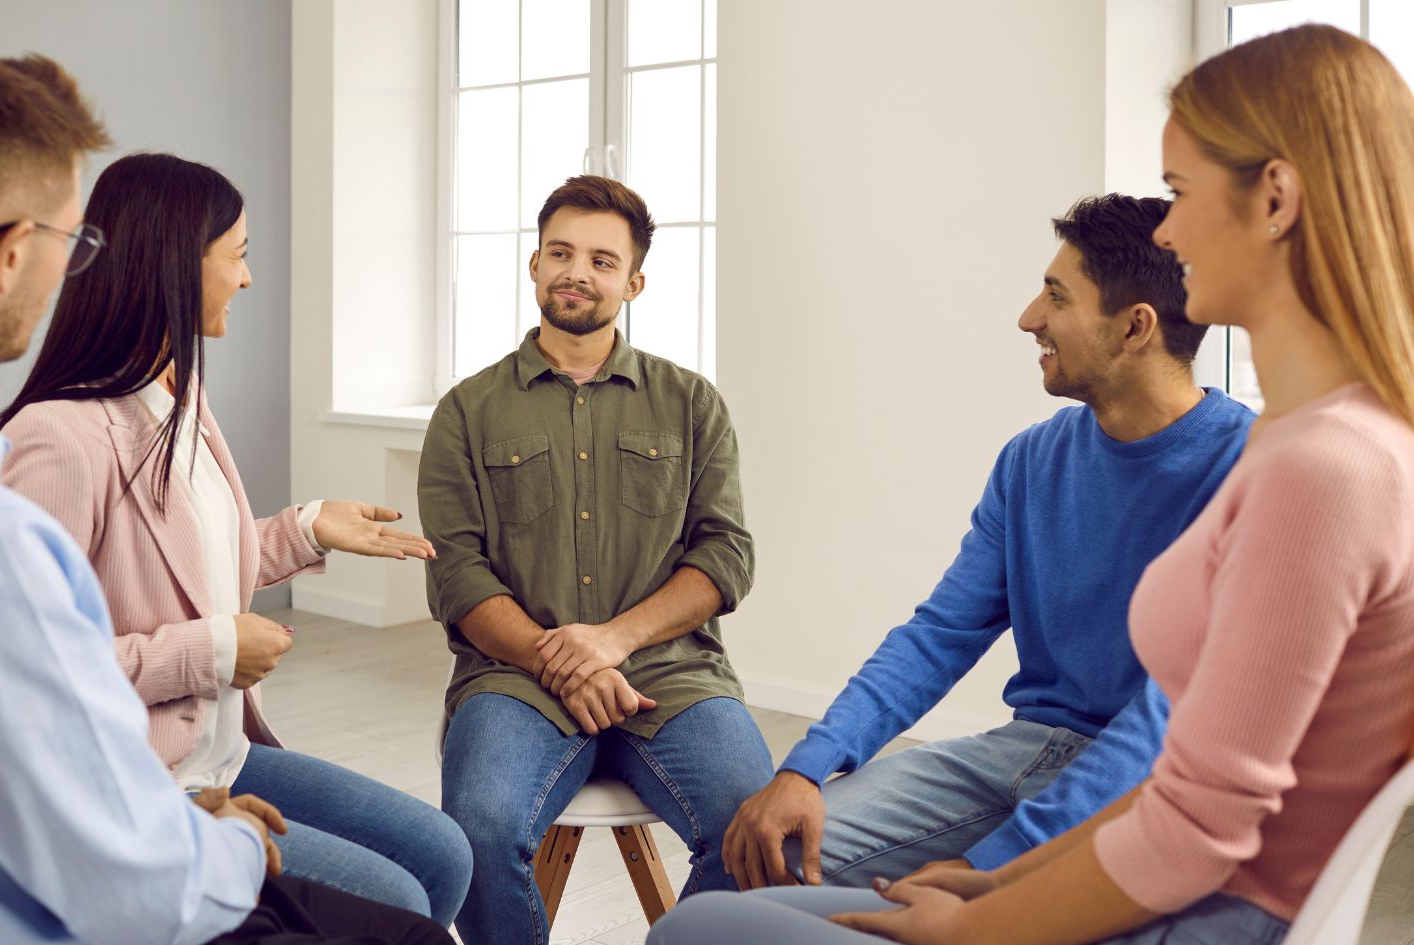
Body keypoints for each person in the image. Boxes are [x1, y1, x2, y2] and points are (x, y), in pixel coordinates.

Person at [649, 23, 1414, 945]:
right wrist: (813, 765)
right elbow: (941, 631)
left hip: (1165, 892)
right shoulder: (1278, 446)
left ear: (1276, 199)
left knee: (702, 936)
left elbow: (1187, 802)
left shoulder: (1304, 466)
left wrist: (990, 892)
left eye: (1178, 193)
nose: (1168, 228)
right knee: (735, 882)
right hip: (1055, 790)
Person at [0, 42, 449, 945]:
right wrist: (228, 837)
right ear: (10, 256)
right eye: (77, 240)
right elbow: (139, 890)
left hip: (5, 875)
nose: (83, 267)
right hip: (93, 906)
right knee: (413, 929)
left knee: (426, 872)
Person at [722, 194, 1254, 892]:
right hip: (1018, 752)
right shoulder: (1031, 460)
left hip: (1152, 781)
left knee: (959, 912)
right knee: (754, 855)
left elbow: (1170, 718)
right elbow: (941, 632)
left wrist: (987, 867)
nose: (1029, 317)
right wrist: (806, 765)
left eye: (1056, 296)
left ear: (1135, 328)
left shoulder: (1251, 469)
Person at [0, 152, 471, 927]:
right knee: (399, 905)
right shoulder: (57, 441)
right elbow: (20, 673)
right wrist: (210, 652)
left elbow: (179, 561)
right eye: (239, 255)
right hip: (137, 787)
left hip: (224, 754)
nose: (248, 280)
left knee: (442, 854)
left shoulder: (178, 398)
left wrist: (306, 527)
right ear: (178, 266)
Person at [418, 174, 775, 944]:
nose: (578, 270)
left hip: (672, 675)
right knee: (476, 828)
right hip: (513, 677)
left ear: (633, 281)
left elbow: (726, 553)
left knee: (758, 827)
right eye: (561, 252)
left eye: (602, 260)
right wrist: (562, 659)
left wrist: (610, 642)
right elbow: (457, 572)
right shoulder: (466, 411)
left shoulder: (691, 401)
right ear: (535, 266)